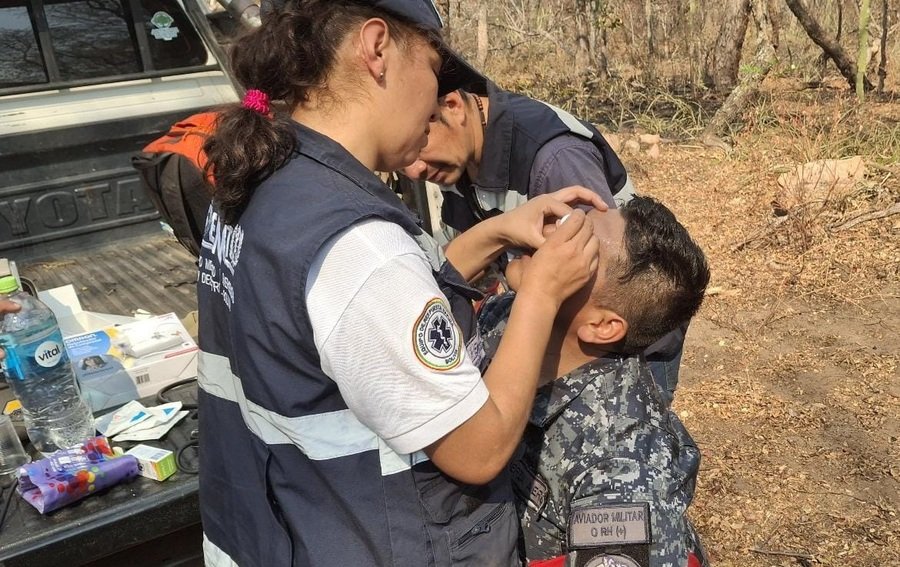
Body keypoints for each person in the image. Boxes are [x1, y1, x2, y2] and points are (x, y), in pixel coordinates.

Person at [194, 2, 607, 566]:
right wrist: (541, 294)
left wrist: (497, 232)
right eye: (434, 65)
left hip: (272, 527)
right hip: (365, 537)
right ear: (377, 48)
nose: (436, 91)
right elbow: (479, 449)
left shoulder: (263, 174)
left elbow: (369, 314)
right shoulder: (356, 241)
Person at [401, 86, 687, 407]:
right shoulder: (455, 162)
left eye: (419, 144)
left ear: (451, 106)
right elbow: (449, 275)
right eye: (402, 157)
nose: (415, 171)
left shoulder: (557, 160)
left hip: (624, 354)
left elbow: (601, 282)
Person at [478, 196, 711, 567]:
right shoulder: (507, 315)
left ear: (602, 326)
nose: (550, 233)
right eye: (574, 221)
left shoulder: (621, 473)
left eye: (581, 243)